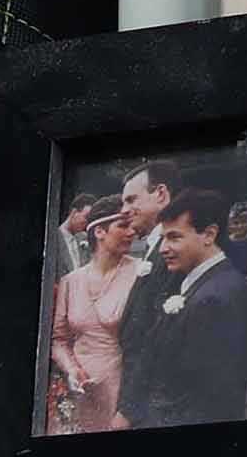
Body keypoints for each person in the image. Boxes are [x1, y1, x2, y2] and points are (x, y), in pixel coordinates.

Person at [118, 179, 247, 428]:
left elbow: (208, 400)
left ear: (209, 234)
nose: (163, 248)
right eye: (162, 238)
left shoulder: (216, 297)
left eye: (174, 237)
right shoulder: (203, 283)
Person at [44, 164, 166, 435]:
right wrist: (71, 369)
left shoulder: (141, 272)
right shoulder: (70, 281)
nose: (131, 231)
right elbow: (59, 339)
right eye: (122, 225)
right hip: (77, 390)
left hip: (120, 386)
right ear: (99, 232)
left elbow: (147, 338)